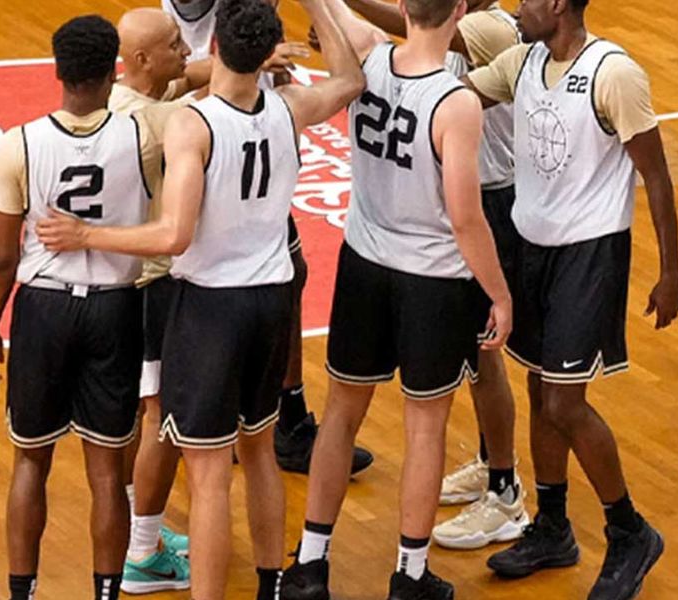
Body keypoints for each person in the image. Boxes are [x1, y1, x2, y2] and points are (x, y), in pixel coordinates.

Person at [35, 1, 365, 598]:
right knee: (260, 452)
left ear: (213, 45)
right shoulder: (289, 109)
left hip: (209, 306)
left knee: (210, 476)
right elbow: (349, 80)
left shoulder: (193, 123)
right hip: (271, 298)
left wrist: (85, 234)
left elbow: (173, 236)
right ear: (267, 53)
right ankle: (270, 586)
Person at [280, 0, 513, 598]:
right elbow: (465, 216)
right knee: (425, 427)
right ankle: (409, 575)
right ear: (460, 10)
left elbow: (338, 17)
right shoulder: (456, 101)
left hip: (363, 264)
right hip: (432, 279)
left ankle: (311, 563)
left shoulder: (369, 60)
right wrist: (498, 292)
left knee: (340, 413)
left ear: (403, 7)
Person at [460, 0, 678, 597]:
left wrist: (671, 273)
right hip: (534, 249)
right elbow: (455, 98)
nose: (518, 8)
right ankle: (553, 526)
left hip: (590, 255)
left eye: (529, 0)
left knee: (562, 403)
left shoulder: (613, 74)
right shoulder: (521, 62)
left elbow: (656, 176)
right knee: (538, 387)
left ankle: (629, 530)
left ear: (557, 4)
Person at [0, 15, 170, 600]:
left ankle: (22, 593)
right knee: (108, 473)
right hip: (115, 310)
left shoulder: (20, 144)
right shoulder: (144, 139)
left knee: (30, 463)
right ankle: (106, 593)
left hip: (42, 310)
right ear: (113, 70)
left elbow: (3, 257)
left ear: (57, 71)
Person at [339, 0, 528, 550]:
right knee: (471, 361)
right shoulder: (477, 23)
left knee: (485, 359)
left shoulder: (488, 27)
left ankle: (505, 489)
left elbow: (413, 26)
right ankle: (494, 462)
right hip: (461, 194)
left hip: (486, 202)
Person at [166, 0, 375, 476]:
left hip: (239, 129)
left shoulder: (251, 102)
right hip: (218, 128)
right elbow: (162, 76)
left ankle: (288, 413)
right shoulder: (189, 94)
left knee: (292, 273)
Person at [109, 7, 196, 594]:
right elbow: (198, 102)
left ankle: (140, 532)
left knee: (132, 419)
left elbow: (187, 78)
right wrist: (252, 62)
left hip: (120, 286)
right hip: (154, 287)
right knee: (162, 417)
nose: (187, 49)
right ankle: (142, 553)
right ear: (141, 59)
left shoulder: (115, 100)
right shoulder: (161, 122)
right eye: (174, 44)